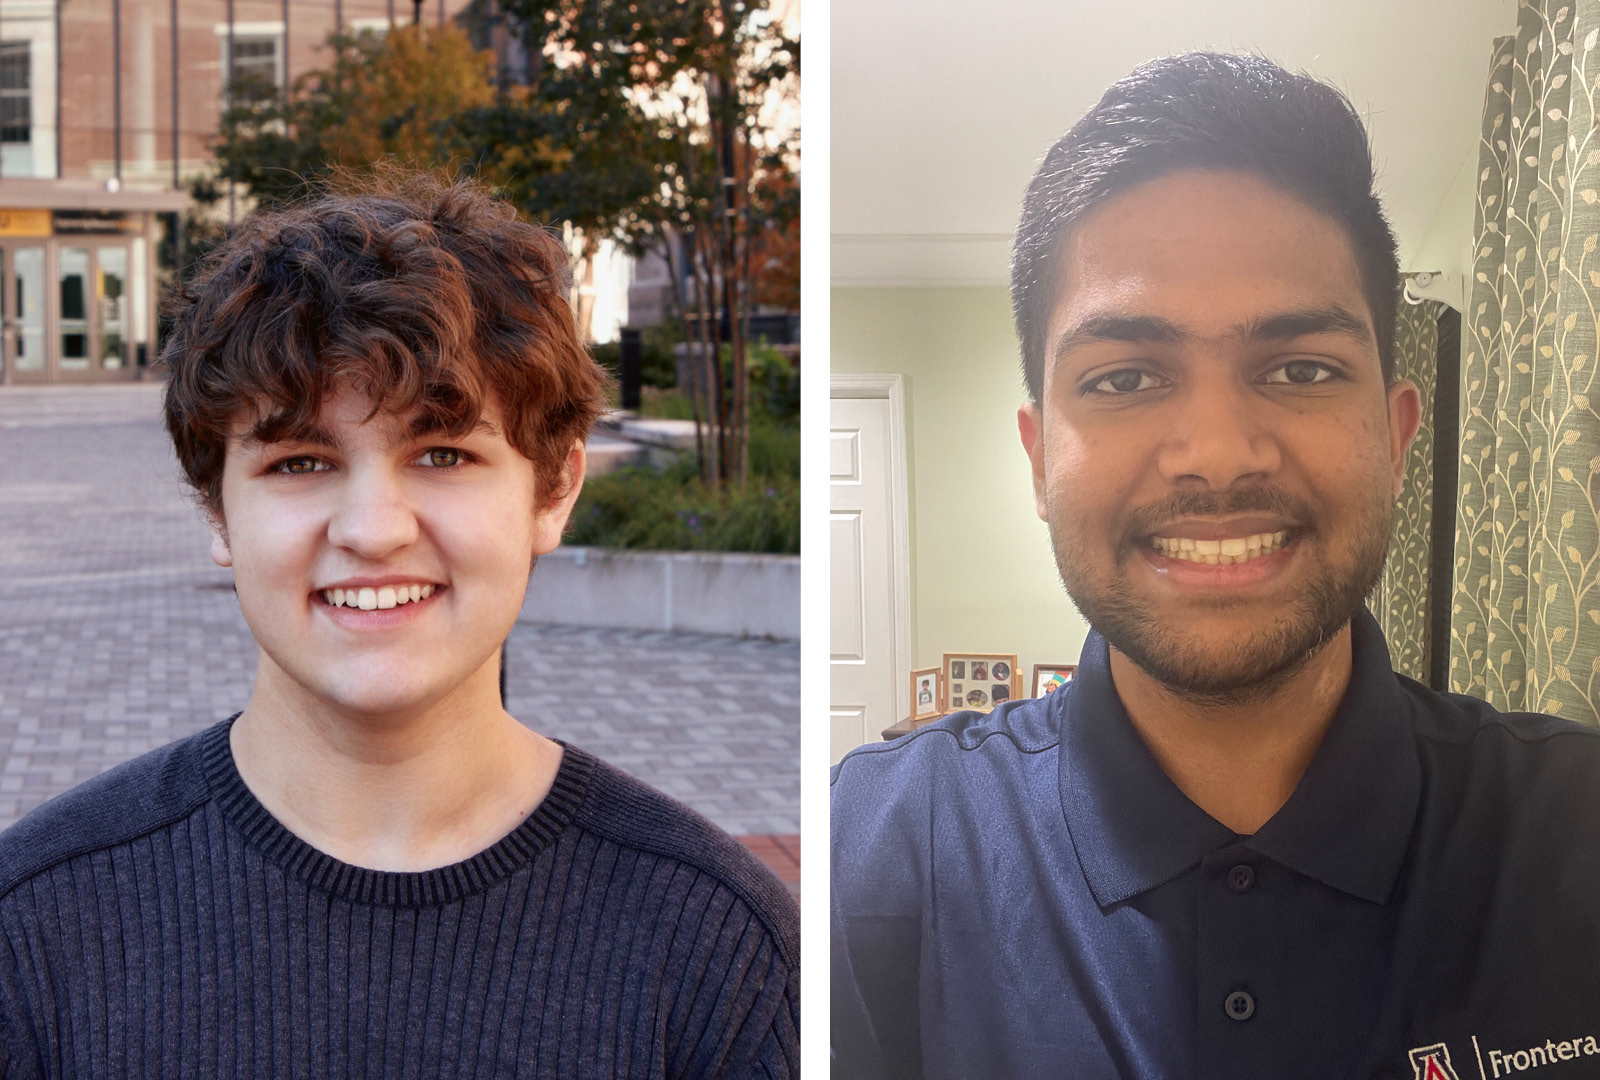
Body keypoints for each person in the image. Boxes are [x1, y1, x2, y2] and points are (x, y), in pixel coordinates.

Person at [831, 53, 1600, 1080]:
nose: (1218, 452)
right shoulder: (872, 853)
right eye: (1125, 377)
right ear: (1037, 459)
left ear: (1395, 434)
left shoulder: (1572, 830)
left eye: (1299, 369)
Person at [0, 173, 798, 1078]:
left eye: (444, 452)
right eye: (300, 461)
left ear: (555, 489)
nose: (374, 529)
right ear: (216, 512)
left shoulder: (713, 943)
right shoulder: (37, 928)